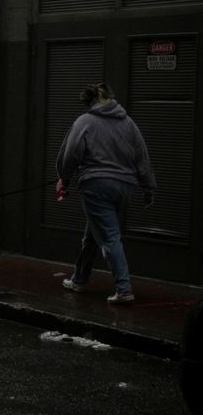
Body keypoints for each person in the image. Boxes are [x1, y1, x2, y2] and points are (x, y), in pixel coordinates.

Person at [56, 82, 156, 304]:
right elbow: (142, 157)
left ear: (90, 102)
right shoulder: (129, 123)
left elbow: (70, 154)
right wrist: (148, 188)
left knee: (109, 236)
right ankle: (80, 279)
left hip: (96, 186)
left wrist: (64, 178)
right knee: (93, 234)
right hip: (124, 187)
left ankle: (124, 289)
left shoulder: (85, 122)